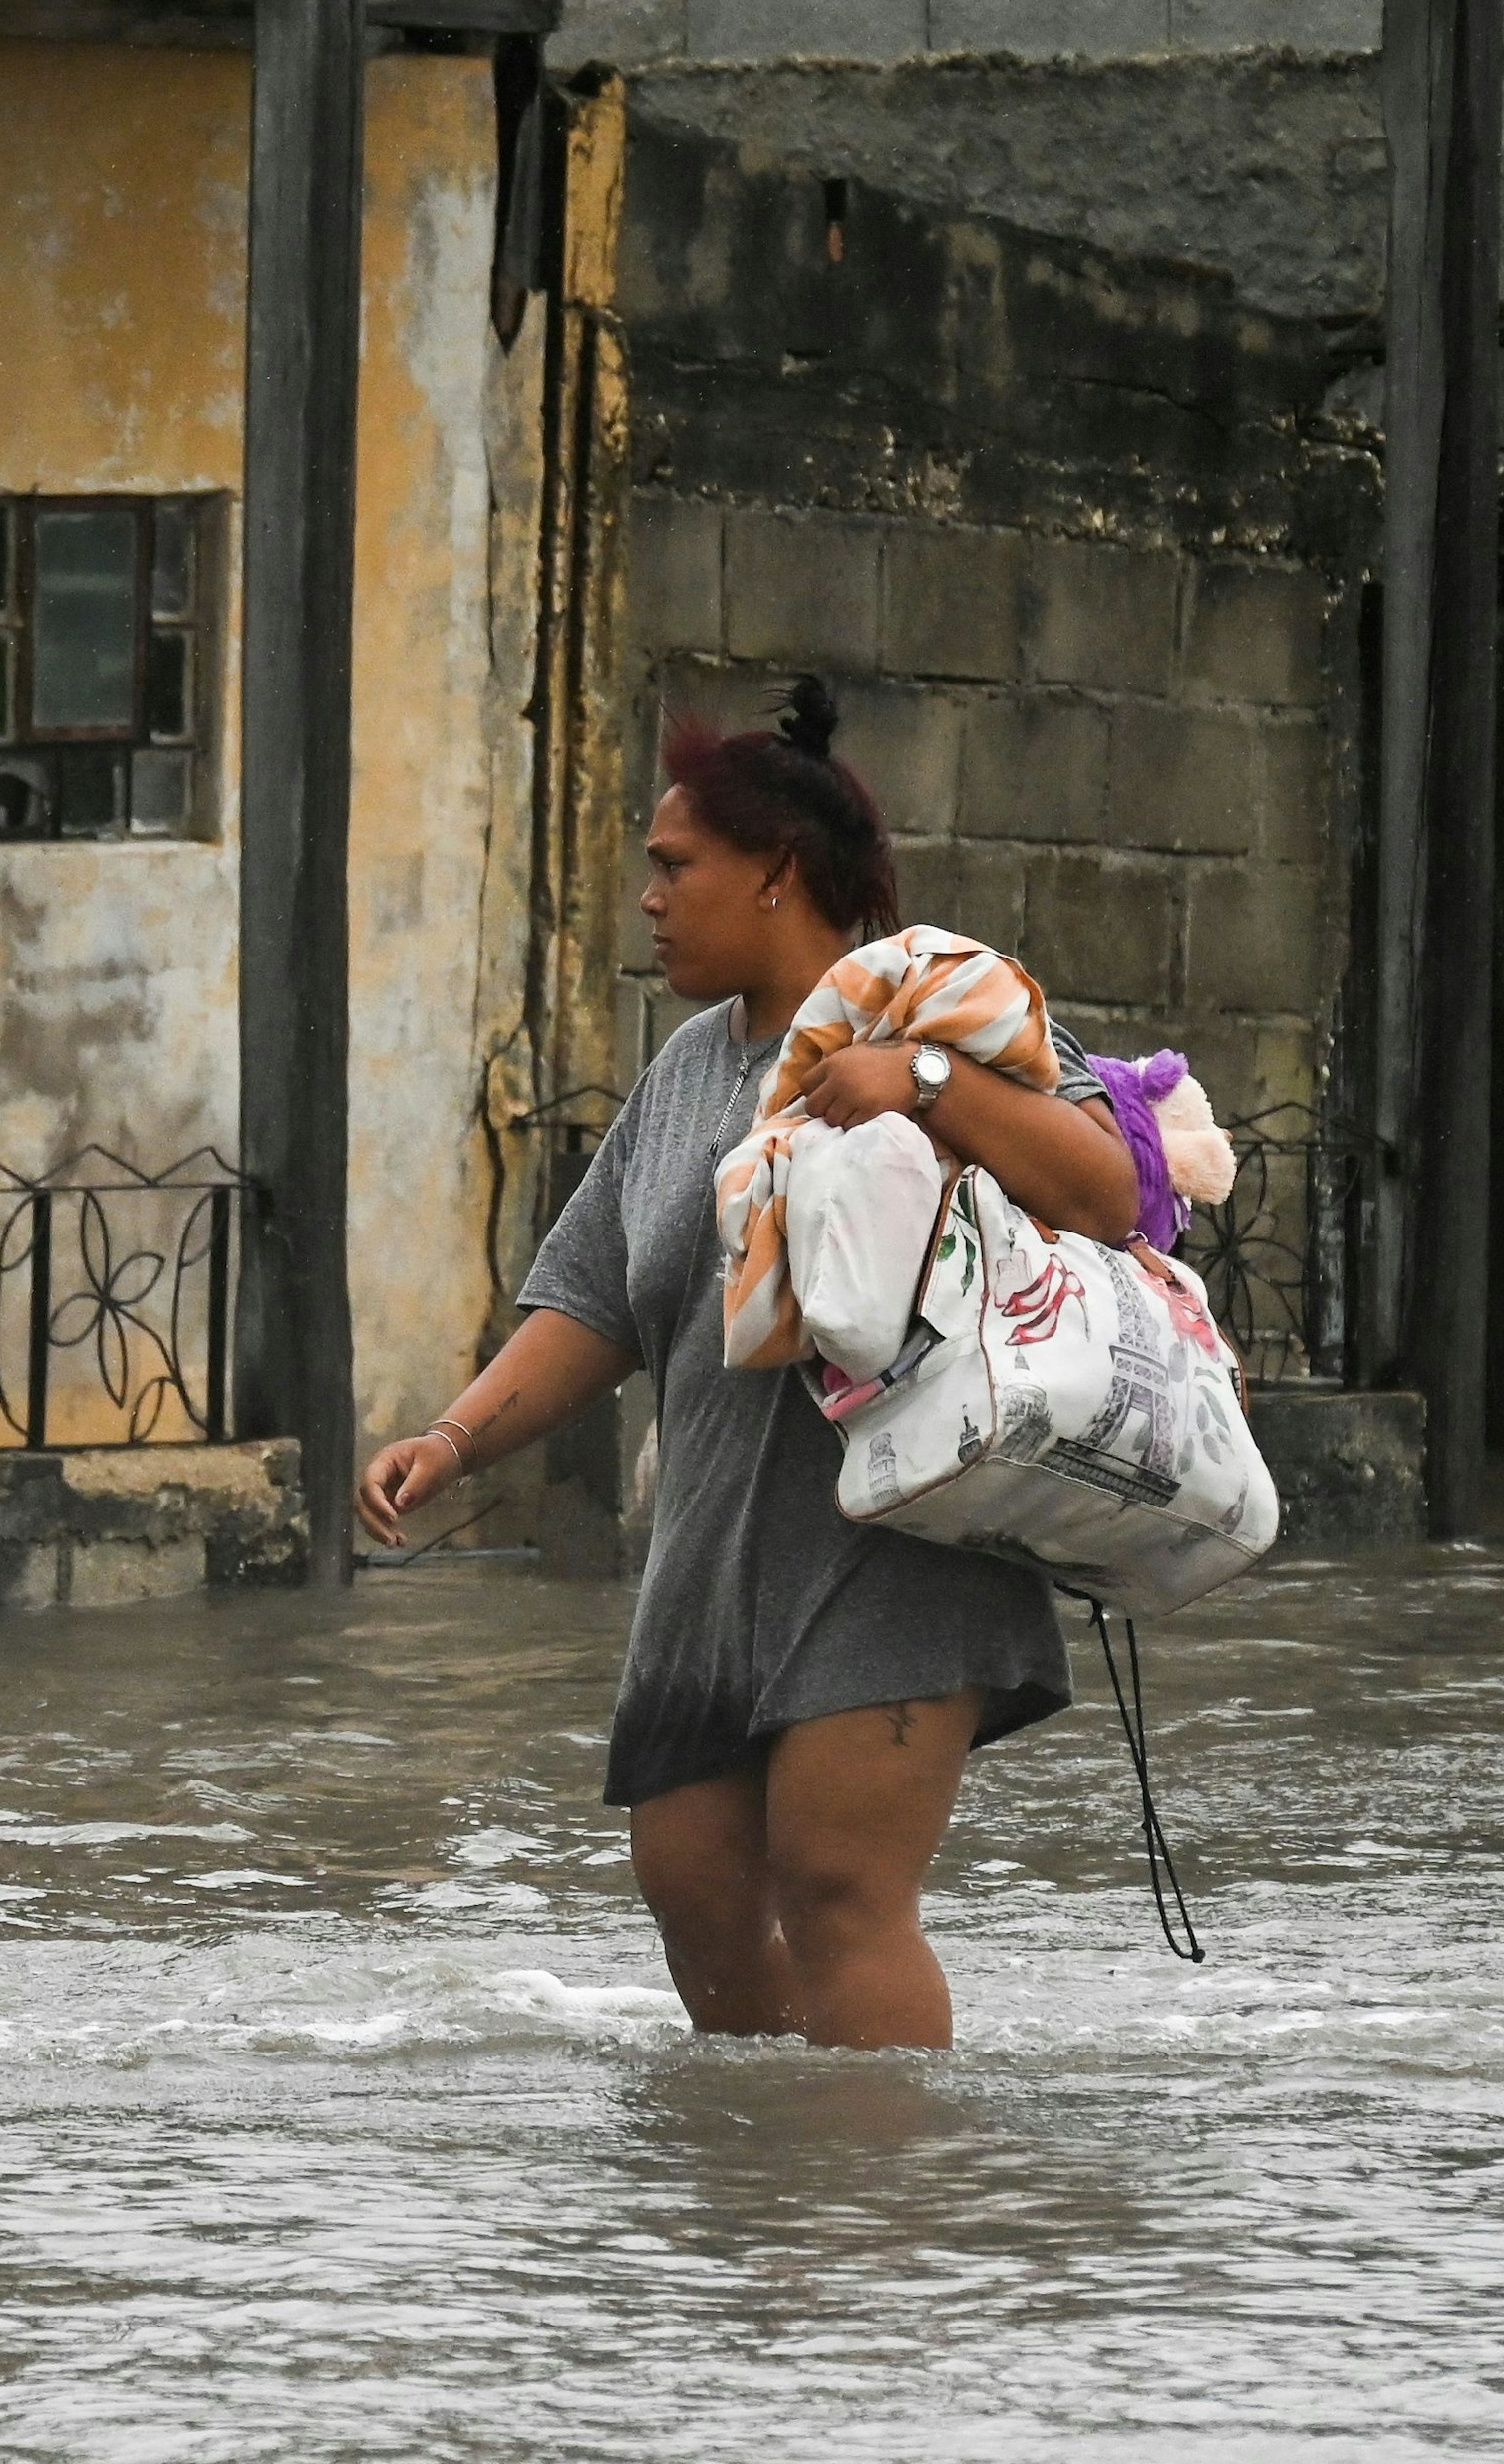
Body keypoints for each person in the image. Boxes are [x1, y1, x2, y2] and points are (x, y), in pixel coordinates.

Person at [355, 690, 1140, 2051]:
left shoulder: (940, 1006)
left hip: (895, 1547)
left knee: (841, 1885)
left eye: (675, 867)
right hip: (711, 1559)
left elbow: (1110, 1191)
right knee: (697, 1892)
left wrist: (926, 1089)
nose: (649, 899)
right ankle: (766, 2214)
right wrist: (456, 1439)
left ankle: (867, 2224)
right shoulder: (683, 1073)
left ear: (779, 870)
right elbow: (596, 1300)